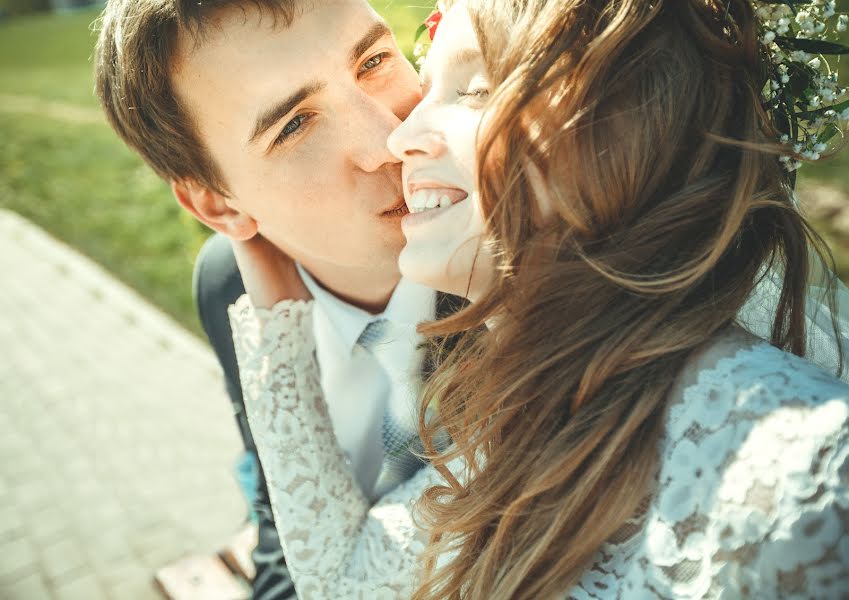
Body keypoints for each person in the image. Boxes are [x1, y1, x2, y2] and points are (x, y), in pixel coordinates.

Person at [228, 0, 849, 598]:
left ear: (635, 128)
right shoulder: (527, 425)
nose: (400, 138)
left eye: (473, 91)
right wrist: (272, 315)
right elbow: (341, 581)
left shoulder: (805, 464)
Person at [93, 1, 460, 598]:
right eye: (294, 125)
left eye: (373, 61)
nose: (387, 143)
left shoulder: (523, 226)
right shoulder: (228, 287)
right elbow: (278, 528)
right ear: (220, 206)